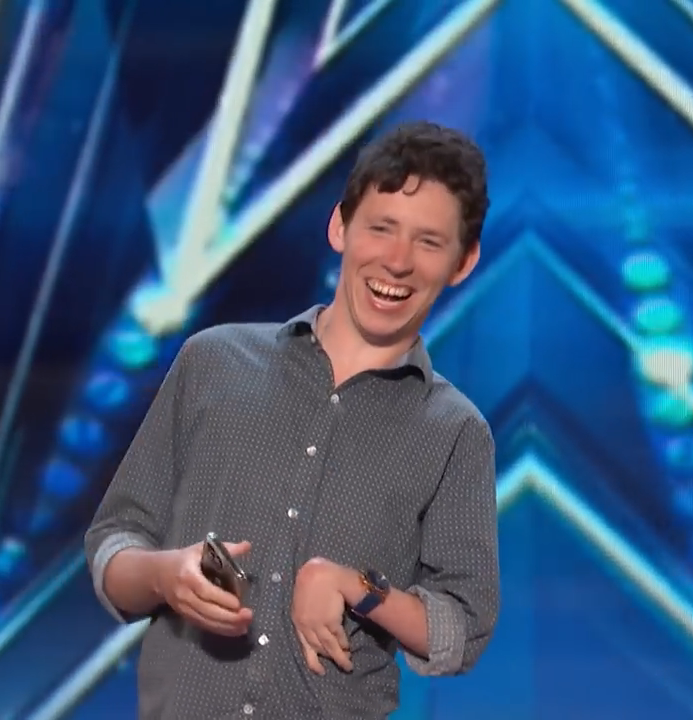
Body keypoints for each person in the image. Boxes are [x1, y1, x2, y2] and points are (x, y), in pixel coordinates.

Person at [84, 120, 500, 719]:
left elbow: (462, 630)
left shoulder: (454, 432)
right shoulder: (213, 361)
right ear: (340, 227)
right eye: (381, 228)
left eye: (428, 242)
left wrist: (362, 589)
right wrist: (164, 576)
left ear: (463, 262)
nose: (397, 261)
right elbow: (116, 540)